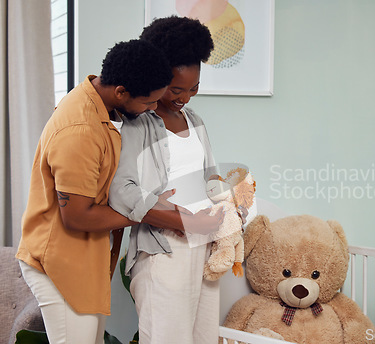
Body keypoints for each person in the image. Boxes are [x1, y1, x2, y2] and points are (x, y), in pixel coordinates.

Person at [16, 39, 172, 344]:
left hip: (82, 259)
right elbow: (77, 217)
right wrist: (145, 213)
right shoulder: (81, 130)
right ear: (121, 92)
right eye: (149, 102)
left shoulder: (99, 103)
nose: (154, 109)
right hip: (59, 262)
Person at [109, 16, 226, 344]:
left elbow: (211, 176)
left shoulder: (195, 120)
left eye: (194, 88)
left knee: (205, 339)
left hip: (204, 251)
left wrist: (229, 207)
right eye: (176, 89)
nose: (185, 98)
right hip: (162, 251)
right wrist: (186, 221)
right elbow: (122, 190)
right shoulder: (137, 124)